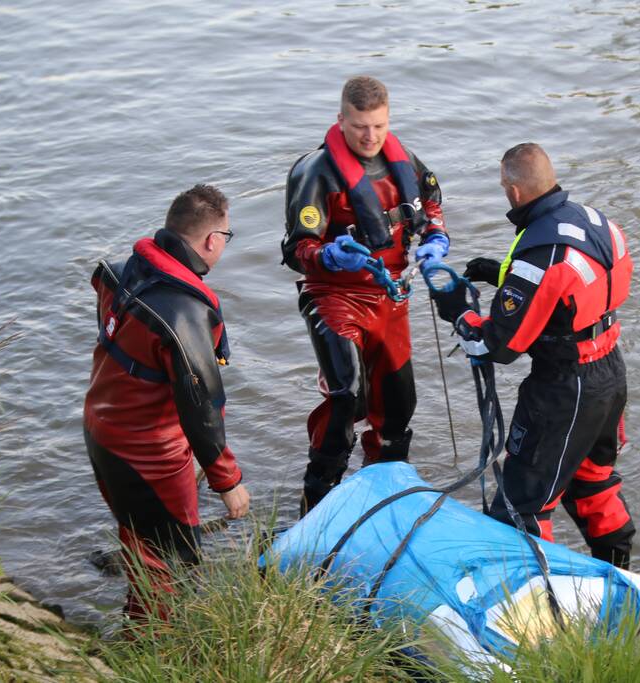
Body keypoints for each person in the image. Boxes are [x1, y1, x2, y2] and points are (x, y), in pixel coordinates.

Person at [431, 143, 635, 568]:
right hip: (610, 374)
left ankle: (532, 609)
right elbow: (573, 291)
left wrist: (456, 309)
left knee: (519, 506)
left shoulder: (540, 254)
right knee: (592, 483)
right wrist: (501, 275)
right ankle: (620, 579)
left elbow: (497, 346)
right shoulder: (596, 221)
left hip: (565, 389)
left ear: (514, 190)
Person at [281, 76, 448, 515]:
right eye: (359, 127)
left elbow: (431, 202)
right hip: (334, 296)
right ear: (341, 120)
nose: (370, 137)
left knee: (399, 407)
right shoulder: (314, 172)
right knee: (346, 398)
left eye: (378, 126)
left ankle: (385, 499)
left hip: (391, 296)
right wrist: (331, 255)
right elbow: (296, 250)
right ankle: (316, 499)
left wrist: (436, 238)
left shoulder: (404, 159)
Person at [83, 184, 250, 619]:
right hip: (147, 455)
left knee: (142, 542)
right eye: (226, 237)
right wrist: (227, 482)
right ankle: (153, 646)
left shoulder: (124, 273)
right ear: (212, 240)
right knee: (173, 564)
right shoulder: (186, 316)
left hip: (102, 432)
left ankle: (135, 624)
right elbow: (202, 408)